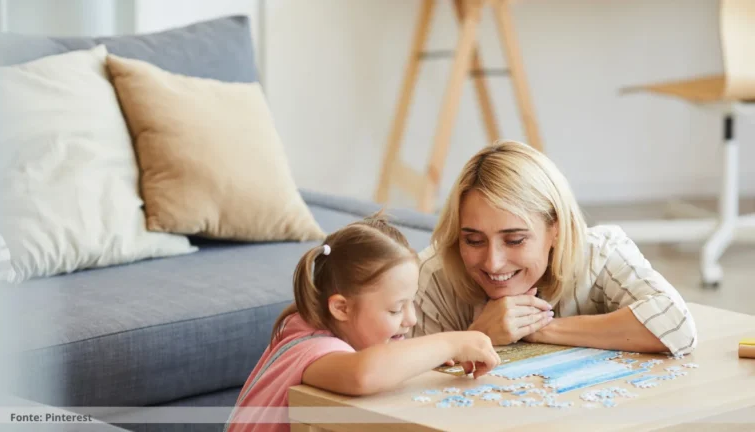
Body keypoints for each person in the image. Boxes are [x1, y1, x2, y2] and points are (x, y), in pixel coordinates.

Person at [411, 141, 697, 357]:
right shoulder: (432, 275)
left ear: (555, 228)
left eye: (514, 240)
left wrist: (538, 329)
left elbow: (675, 325)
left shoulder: (601, 253)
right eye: (473, 240)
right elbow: (405, 396)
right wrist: (475, 338)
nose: (493, 263)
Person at [224, 213, 500, 432]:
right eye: (395, 309)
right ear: (341, 308)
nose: (411, 319)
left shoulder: (305, 322)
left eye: (411, 302)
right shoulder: (313, 348)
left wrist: (422, 357)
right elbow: (363, 374)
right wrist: (451, 342)